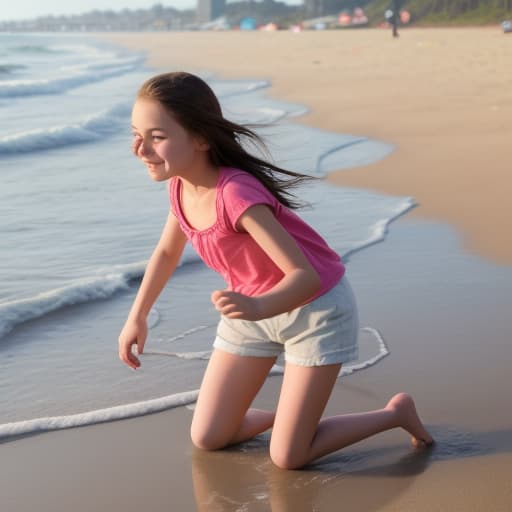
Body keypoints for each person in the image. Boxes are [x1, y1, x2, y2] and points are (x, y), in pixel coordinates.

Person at [119, 71, 434, 470]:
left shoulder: (236, 194)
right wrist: (137, 316)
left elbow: (305, 276)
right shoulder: (180, 186)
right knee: (209, 436)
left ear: (200, 138)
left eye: (156, 137)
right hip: (253, 309)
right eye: (135, 134)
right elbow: (166, 252)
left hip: (315, 310)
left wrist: (255, 308)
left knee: (288, 456)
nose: (139, 148)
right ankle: (293, 423)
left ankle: (394, 414)